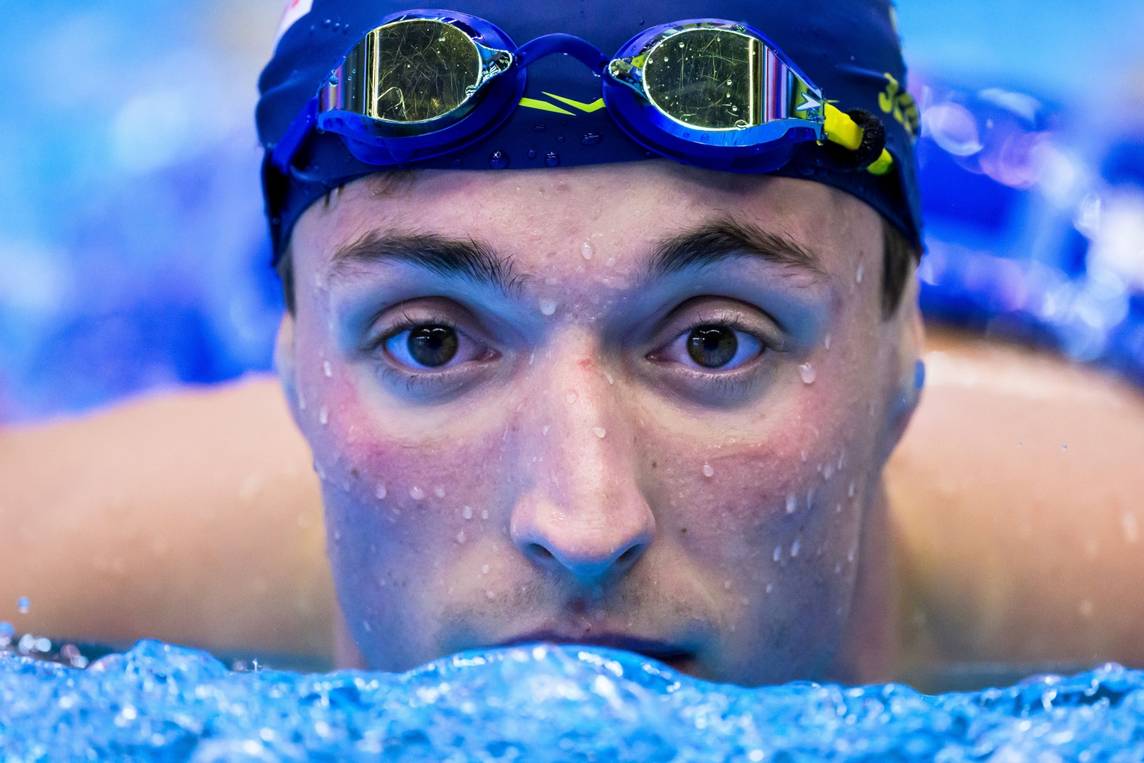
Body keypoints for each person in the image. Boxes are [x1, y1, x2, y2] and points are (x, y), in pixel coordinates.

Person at [2, 0, 1143, 687]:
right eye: (432, 344)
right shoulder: (50, 567)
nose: (584, 525)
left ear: (902, 364)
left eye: (713, 345)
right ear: (293, 365)